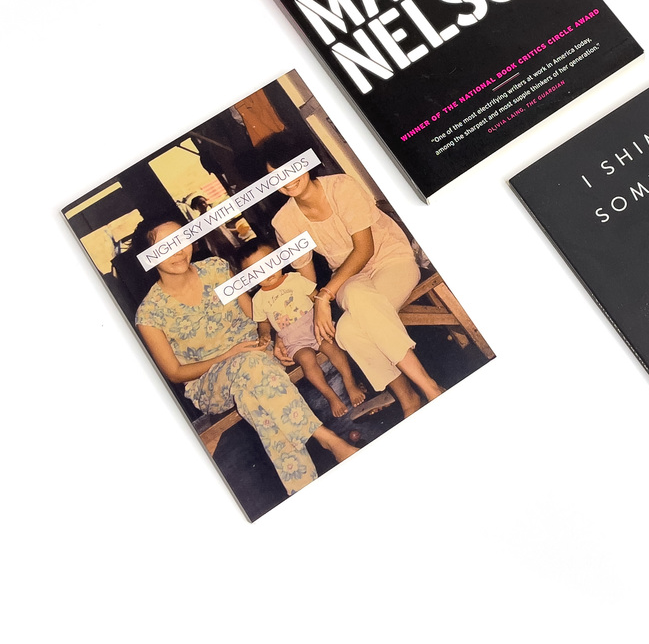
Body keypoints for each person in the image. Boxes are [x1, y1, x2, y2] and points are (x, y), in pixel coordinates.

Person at [134, 219, 357, 495]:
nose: (178, 251)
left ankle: (302, 487)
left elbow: (256, 314)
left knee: (252, 393)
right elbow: (175, 373)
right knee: (250, 366)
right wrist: (228, 355)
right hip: (210, 383)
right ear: (148, 256)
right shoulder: (150, 313)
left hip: (258, 356)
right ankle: (326, 437)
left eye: (182, 240)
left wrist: (277, 337)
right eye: (165, 247)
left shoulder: (216, 269)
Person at [261, 132, 444, 418]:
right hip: (347, 279)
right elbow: (306, 282)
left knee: (349, 329)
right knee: (355, 304)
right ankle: (417, 393)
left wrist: (325, 296)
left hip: (391, 260)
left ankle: (420, 393)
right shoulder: (284, 221)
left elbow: (364, 249)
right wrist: (288, 330)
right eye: (276, 176)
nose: (286, 180)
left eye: (292, 168)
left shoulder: (341, 187)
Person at [241, 243, 367, 419]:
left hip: (314, 325)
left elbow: (316, 297)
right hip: (294, 340)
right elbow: (263, 322)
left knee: (332, 347)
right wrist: (264, 334)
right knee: (307, 360)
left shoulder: (295, 279)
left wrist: (325, 311)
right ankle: (331, 396)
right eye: (257, 272)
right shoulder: (258, 299)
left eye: (268, 263)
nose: (266, 273)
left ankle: (349, 381)